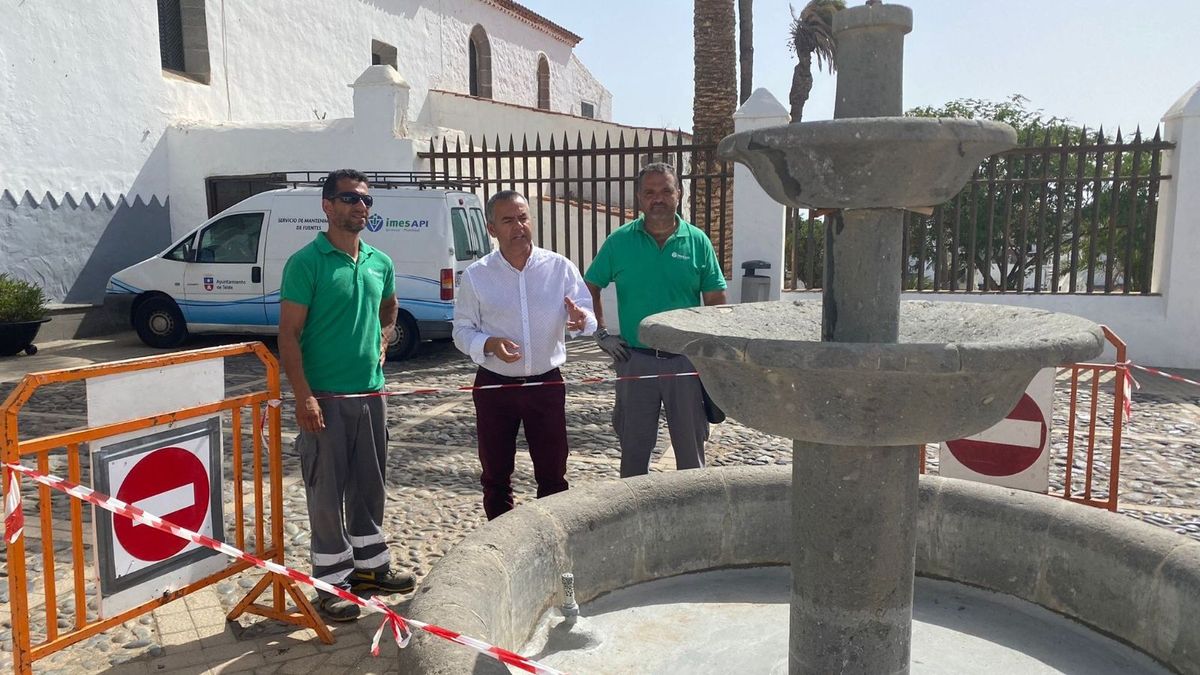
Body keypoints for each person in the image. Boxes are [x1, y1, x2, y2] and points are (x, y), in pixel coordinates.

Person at [278, 169, 414, 622]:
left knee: (368, 489)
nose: (360, 207)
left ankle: (372, 570)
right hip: (325, 400)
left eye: (366, 201)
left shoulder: (380, 261)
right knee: (326, 493)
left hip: (371, 396)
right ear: (327, 205)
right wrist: (303, 397)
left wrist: (385, 334)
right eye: (349, 198)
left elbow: (390, 306)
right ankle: (331, 585)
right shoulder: (306, 263)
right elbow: (289, 336)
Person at [453, 190, 596, 520]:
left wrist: (580, 320)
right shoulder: (477, 275)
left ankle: (554, 541)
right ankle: (502, 545)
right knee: (495, 475)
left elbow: (587, 317)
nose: (519, 226)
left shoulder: (559, 267)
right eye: (508, 220)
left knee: (553, 474)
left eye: (523, 218)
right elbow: (461, 330)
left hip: (546, 386)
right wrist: (489, 344)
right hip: (494, 387)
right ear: (492, 229)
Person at [584, 162, 728, 478]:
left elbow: (716, 301)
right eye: (650, 193)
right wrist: (602, 333)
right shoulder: (619, 241)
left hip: (685, 363)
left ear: (679, 194)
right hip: (635, 361)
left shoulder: (698, 241)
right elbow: (589, 286)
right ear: (639, 198)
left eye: (666, 191)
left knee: (691, 455)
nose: (658, 199)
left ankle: (691, 520)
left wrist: (710, 354)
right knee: (634, 454)